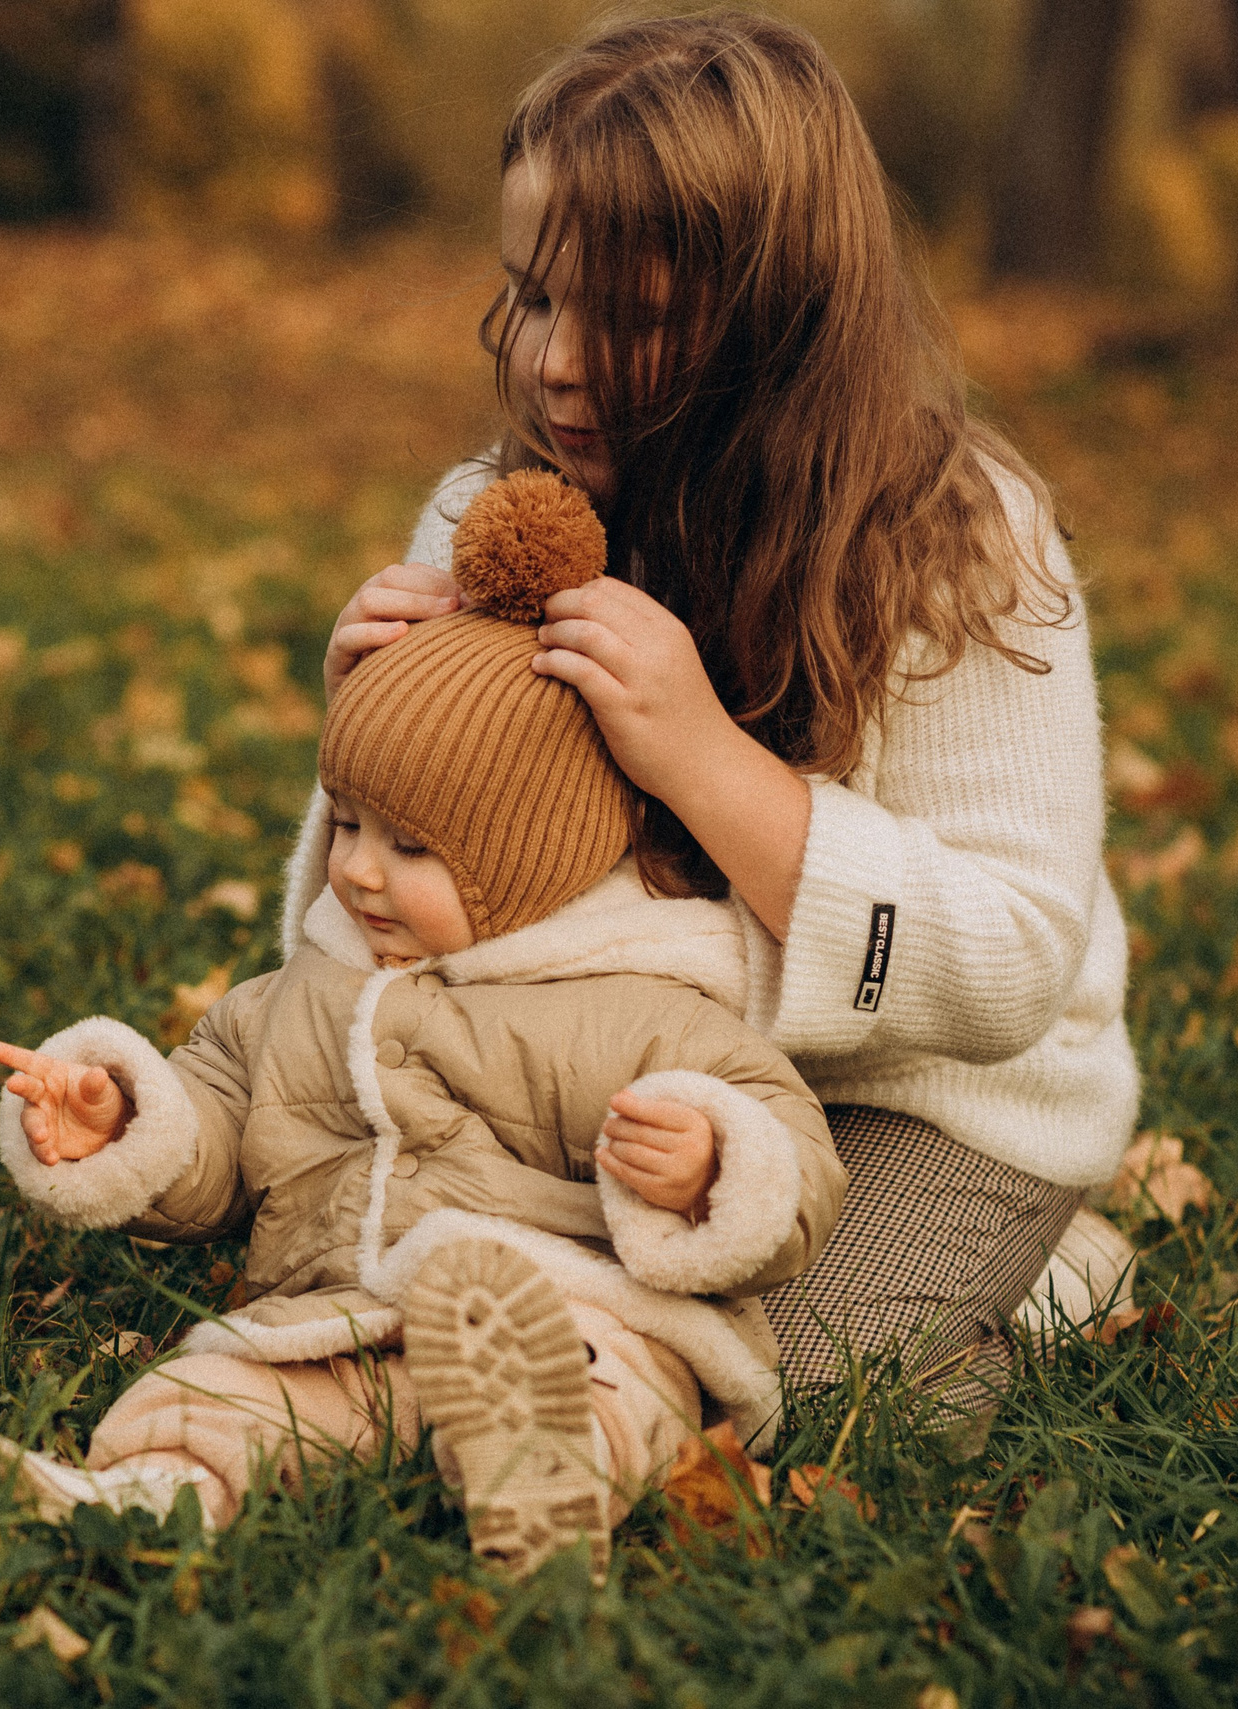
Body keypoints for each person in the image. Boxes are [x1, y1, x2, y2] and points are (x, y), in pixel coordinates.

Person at [320, 12, 1140, 1416]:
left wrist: (704, 760)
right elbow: (380, 931)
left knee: (767, 1389)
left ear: (782, 319)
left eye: (630, 319)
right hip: (616, 1078)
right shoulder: (491, 517)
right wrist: (375, 742)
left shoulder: (958, 542)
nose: (556, 362)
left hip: (921, 1100)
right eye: (533, 297)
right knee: (423, 1292)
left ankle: (1044, 1274)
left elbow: (1011, 962)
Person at [0, 471, 844, 1581]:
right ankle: (132, 1499)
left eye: (413, 847)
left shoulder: (634, 1000)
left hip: (568, 1312)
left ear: (541, 856)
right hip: (333, 1324)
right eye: (346, 823)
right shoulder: (305, 993)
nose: (359, 871)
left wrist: (710, 1164)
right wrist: (123, 1120)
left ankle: (548, 1466)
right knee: (217, 1392)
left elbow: (788, 1142)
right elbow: (220, 1128)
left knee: (612, 1380)